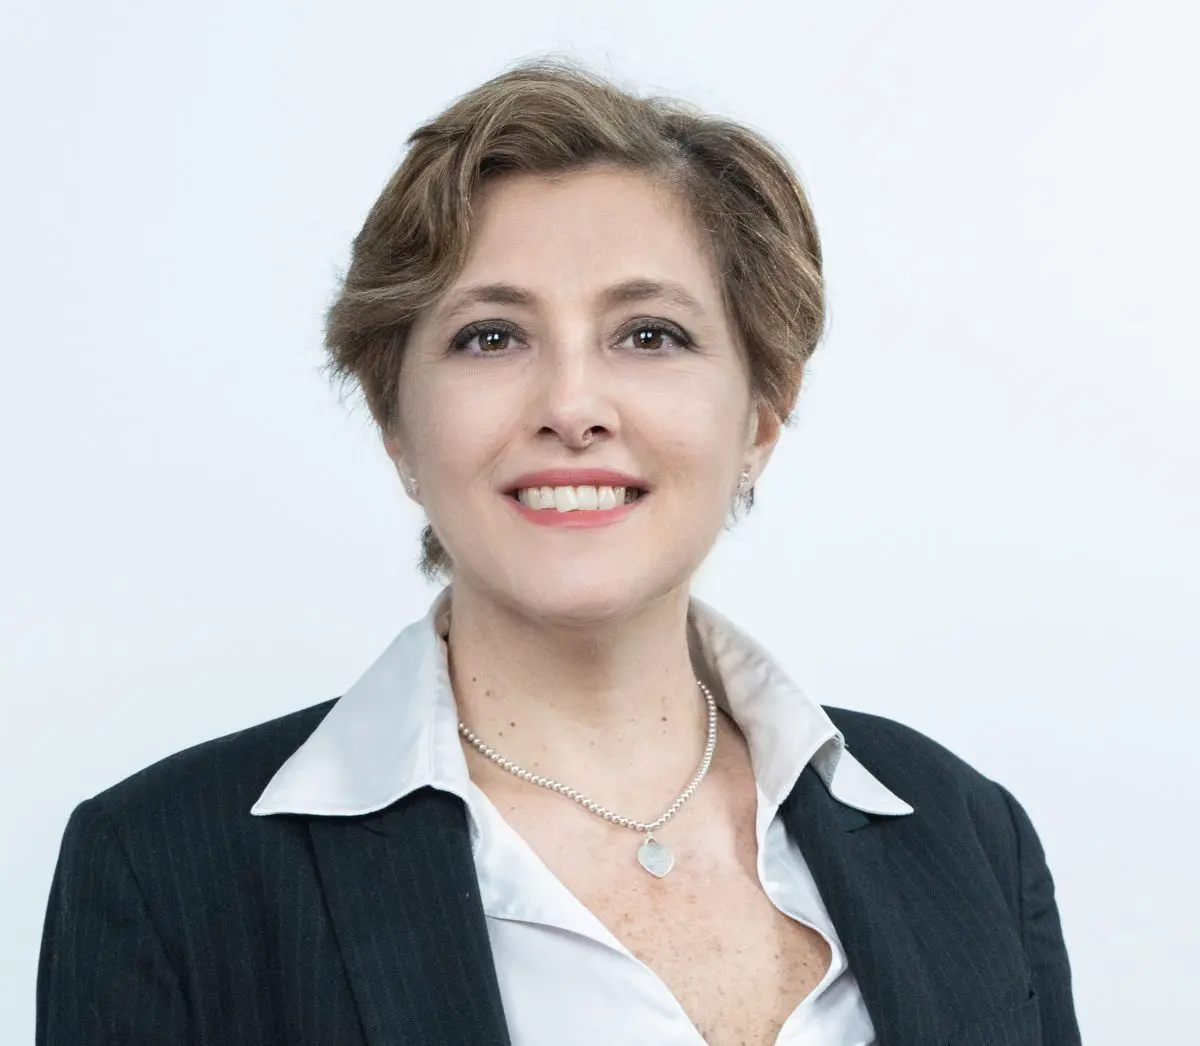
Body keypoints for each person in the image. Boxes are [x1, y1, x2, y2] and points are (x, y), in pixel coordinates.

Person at [36, 57, 1081, 1046]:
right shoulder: (163, 872)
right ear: (396, 423)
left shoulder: (968, 832)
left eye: (649, 334)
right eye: (491, 335)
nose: (573, 406)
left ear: (761, 417)